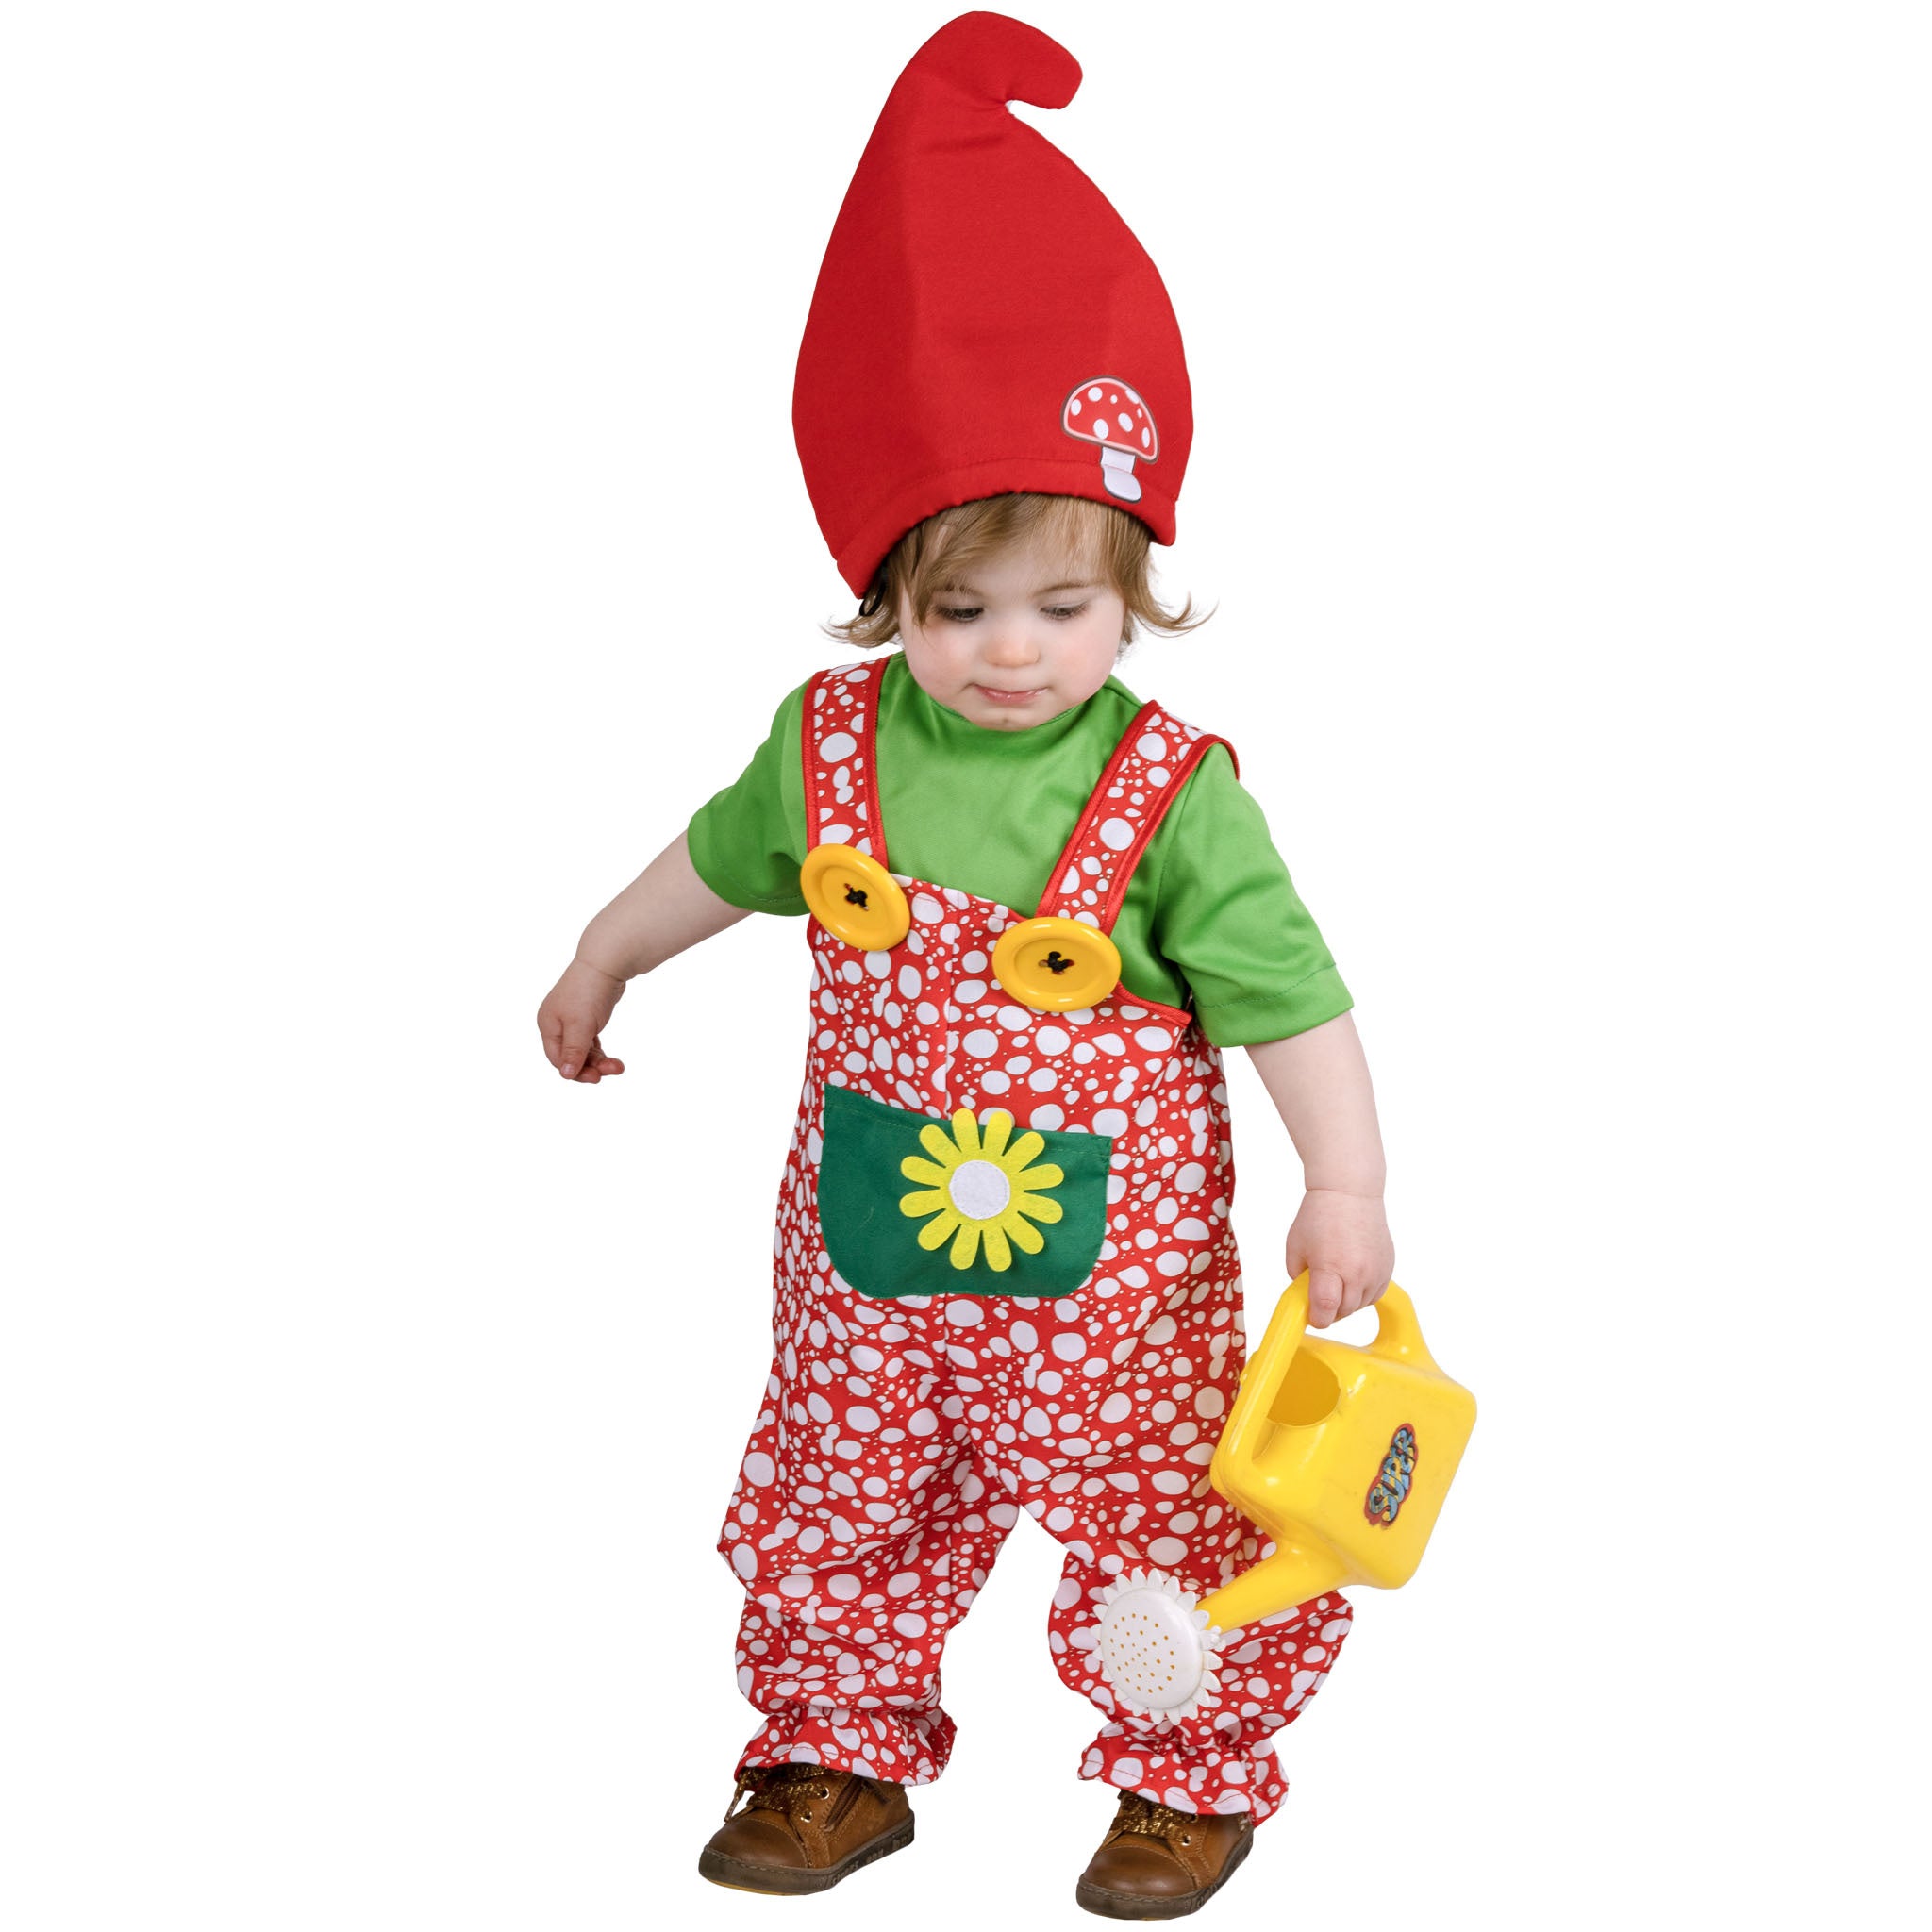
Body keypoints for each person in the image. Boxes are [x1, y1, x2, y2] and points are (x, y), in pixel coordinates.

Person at [536, 15, 1392, 1919]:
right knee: (837, 1497)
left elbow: (1293, 998)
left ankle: (1186, 1775)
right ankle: (830, 1753)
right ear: (885, 591)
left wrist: (1345, 1180)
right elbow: (714, 867)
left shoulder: (1170, 795)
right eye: (959, 606)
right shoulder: (829, 745)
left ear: (1134, 579)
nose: (1014, 652)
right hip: (865, 1279)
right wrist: (605, 959)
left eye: (1064, 604)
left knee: (1161, 1518)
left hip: (1115, 1305)